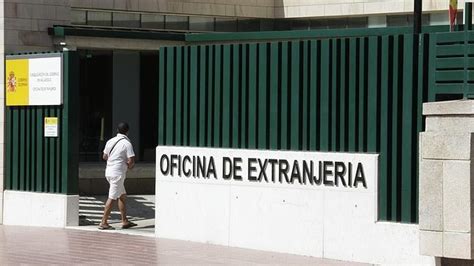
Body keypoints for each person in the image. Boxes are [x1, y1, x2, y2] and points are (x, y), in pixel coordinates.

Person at [98, 122, 137, 230]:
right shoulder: (127, 143)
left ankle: (125, 221)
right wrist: (129, 166)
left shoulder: (110, 141)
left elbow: (104, 156)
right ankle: (103, 222)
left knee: (122, 196)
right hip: (118, 174)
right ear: (127, 131)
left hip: (109, 172)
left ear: (117, 130)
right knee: (112, 197)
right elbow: (131, 160)